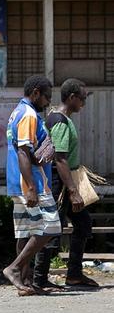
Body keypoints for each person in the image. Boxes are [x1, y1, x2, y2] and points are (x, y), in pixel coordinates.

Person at [33, 79, 97, 290]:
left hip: (67, 179)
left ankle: (74, 275)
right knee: (53, 227)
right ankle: (39, 278)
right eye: (82, 99)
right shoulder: (59, 121)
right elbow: (60, 159)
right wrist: (73, 191)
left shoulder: (61, 118)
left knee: (83, 224)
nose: (84, 103)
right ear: (71, 98)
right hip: (60, 181)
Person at [3, 75, 62, 296]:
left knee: (25, 233)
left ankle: (25, 283)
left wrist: (45, 152)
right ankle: (15, 268)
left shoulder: (16, 112)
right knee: (51, 227)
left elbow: (27, 150)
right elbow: (22, 152)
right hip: (32, 183)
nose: (48, 102)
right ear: (36, 93)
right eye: (47, 97)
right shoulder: (28, 115)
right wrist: (30, 186)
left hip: (16, 181)